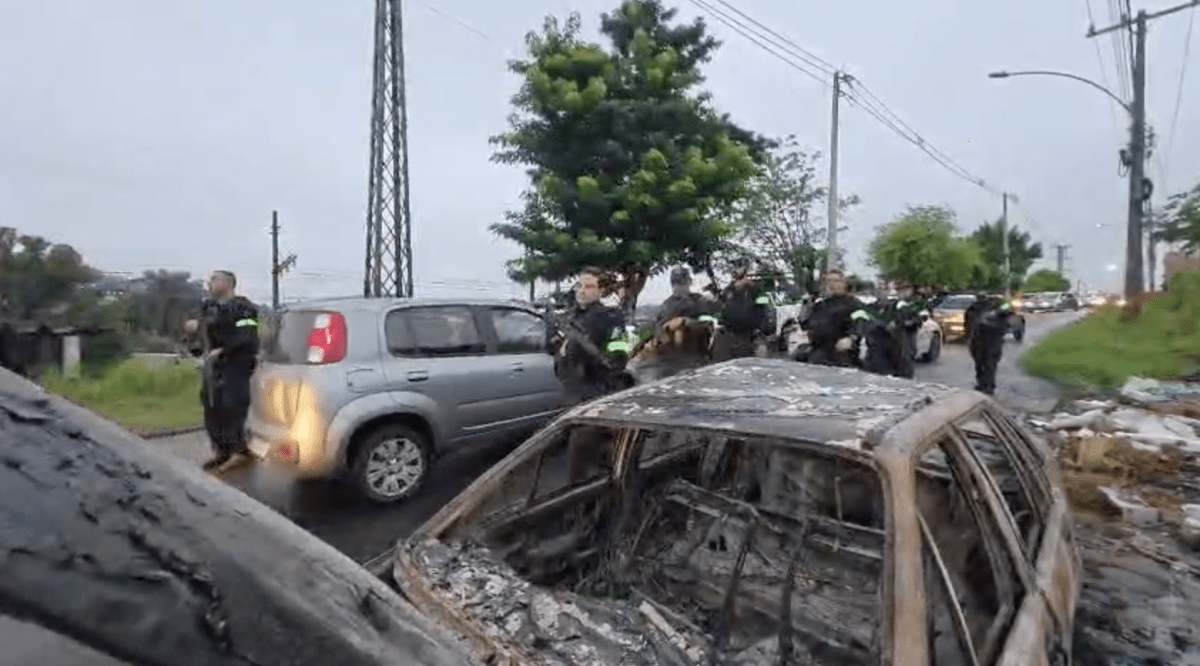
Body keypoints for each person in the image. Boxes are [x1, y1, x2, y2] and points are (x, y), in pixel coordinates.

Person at [184, 270, 260, 471]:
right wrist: (193, 335)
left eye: (214, 280)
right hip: (212, 365)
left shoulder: (244, 308)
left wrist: (224, 350)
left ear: (227, 283)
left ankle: (237, 448)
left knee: (231, 405)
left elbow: (248, 335)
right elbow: (199, 334)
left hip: (236, 364)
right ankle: (222, 451)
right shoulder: (208, 307)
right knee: (211, 406)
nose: (209, 283)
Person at [804, 268, 863, 367]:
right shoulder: (820, 305)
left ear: (845, 283)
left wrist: (851, 338)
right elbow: (809, 324)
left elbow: (860, 324)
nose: (832, 284)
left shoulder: (855, 305)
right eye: (829, 281)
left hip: (842, 355)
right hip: (819, 353)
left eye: (836, 281)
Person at [716, 259, 772, 359]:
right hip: (730, 331)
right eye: (734, 269)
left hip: (751, 332)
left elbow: (764, 308)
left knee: (763, 351)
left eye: (738, 268)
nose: (734, 272)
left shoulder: (755, 287)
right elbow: (721, 306)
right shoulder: (729, 289)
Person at [965, 294, 1009, 395]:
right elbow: (969, 320)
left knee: (989, 364)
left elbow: (1003, 325)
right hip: (979, 340)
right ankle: (981, 384)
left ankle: (989, 385)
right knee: (979, 363)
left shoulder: (1001, 313)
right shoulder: (977, 310)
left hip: (993, 341)